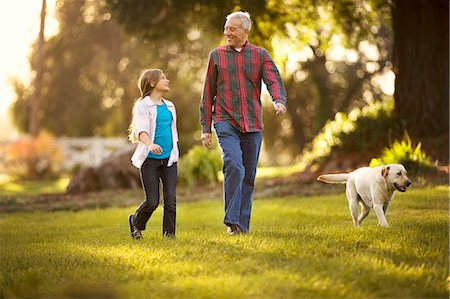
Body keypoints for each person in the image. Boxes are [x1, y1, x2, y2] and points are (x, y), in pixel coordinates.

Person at [200, 11, 287, 235]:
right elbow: (208, 92)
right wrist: (205, 128)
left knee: (248, 175)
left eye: (232, 29)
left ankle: (242, 227)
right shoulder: (216, 55)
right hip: (224, 119)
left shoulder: (260, 55)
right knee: (234, 165)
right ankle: (231, 220)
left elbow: (273, 79)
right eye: (226, 28)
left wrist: (278, 100)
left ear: (245, 31)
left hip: (252, 122)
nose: (226, 32)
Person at [128, 69, 179, 239]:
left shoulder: (170, 105)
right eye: (162, 78)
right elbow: (141, 130)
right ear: (152, 83)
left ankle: (169, 236)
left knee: (170, 199)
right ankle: (135, 222)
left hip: (169, 159)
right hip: (150, 160)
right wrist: (150, 144)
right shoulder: (143, 105)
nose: (166, 80)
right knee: (152, 202)